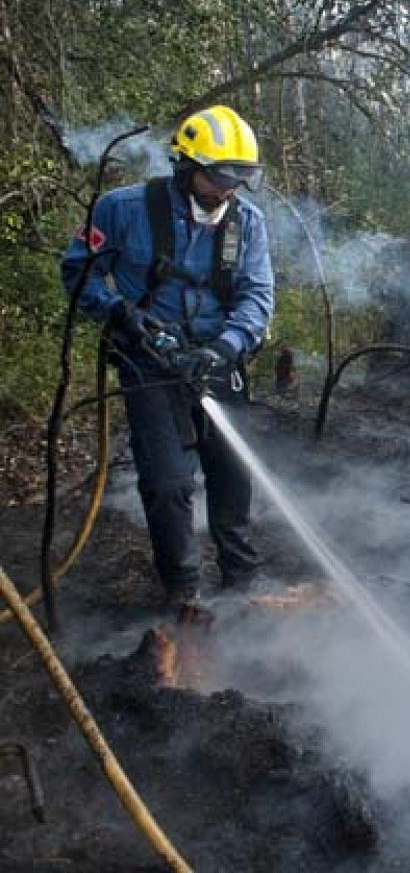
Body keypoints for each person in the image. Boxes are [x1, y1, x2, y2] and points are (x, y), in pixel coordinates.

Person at [59, 105, 274, 609]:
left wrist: (223, 348)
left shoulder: (247, 224)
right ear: (185, 166)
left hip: (215, 360)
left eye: (239, 181)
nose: (227, 192)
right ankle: (183, 593)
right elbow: (78, 272)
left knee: (233, 473)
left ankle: (241, 581)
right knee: (168, 484)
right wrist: (120, 314)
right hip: (149, 363)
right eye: (219, 178)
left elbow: (258, 296)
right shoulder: (123, 210)